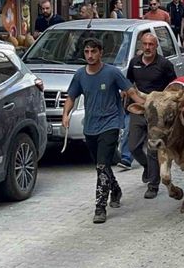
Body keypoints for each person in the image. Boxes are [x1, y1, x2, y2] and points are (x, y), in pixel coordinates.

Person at [62, 38, 145, 224]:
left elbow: (131, 92)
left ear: (101, 52)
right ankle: (115, 189)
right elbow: (71, 96)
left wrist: (147, 106)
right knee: (102, 166)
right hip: (90, 127)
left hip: (111, 124)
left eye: (93, 52)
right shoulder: (80, 75)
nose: (90, 56)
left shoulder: (112, 73)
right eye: (87, 52)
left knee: (101, 166)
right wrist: (65, 114)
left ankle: (100, 207)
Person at [126, 33, 177, 198]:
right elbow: (129, 83)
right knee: (133, 146)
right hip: (140, 108)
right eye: (145, 44)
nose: (147, 48)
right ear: (141, 45)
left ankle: (153, 185)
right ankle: (148, 167)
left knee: (152, 148)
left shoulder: (164, 64)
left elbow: (174, 87)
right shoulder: (134, 63)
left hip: (157, 113)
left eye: (151, 45)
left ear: (156, 46)